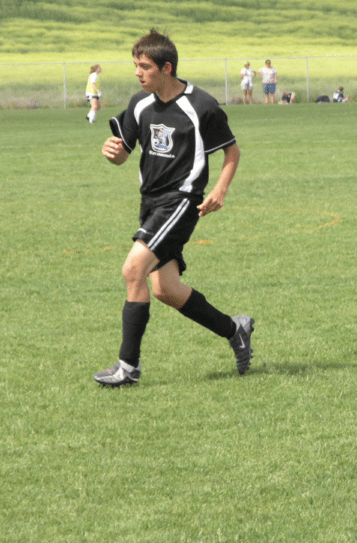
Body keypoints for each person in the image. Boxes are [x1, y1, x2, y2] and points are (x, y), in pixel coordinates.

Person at [95, 28, 252, 387]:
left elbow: (232, 151)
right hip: (150, 202)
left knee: (133, 270)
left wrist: (220, 190)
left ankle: (127, 368)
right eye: (136, 65)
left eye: (144, 66)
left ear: (166, 68)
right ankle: (235, 329)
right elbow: (124, 153)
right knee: (165, 288)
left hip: (181, 201)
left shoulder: (202, 106)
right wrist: (115, 154)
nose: (138, 72)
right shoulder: (140, 103)